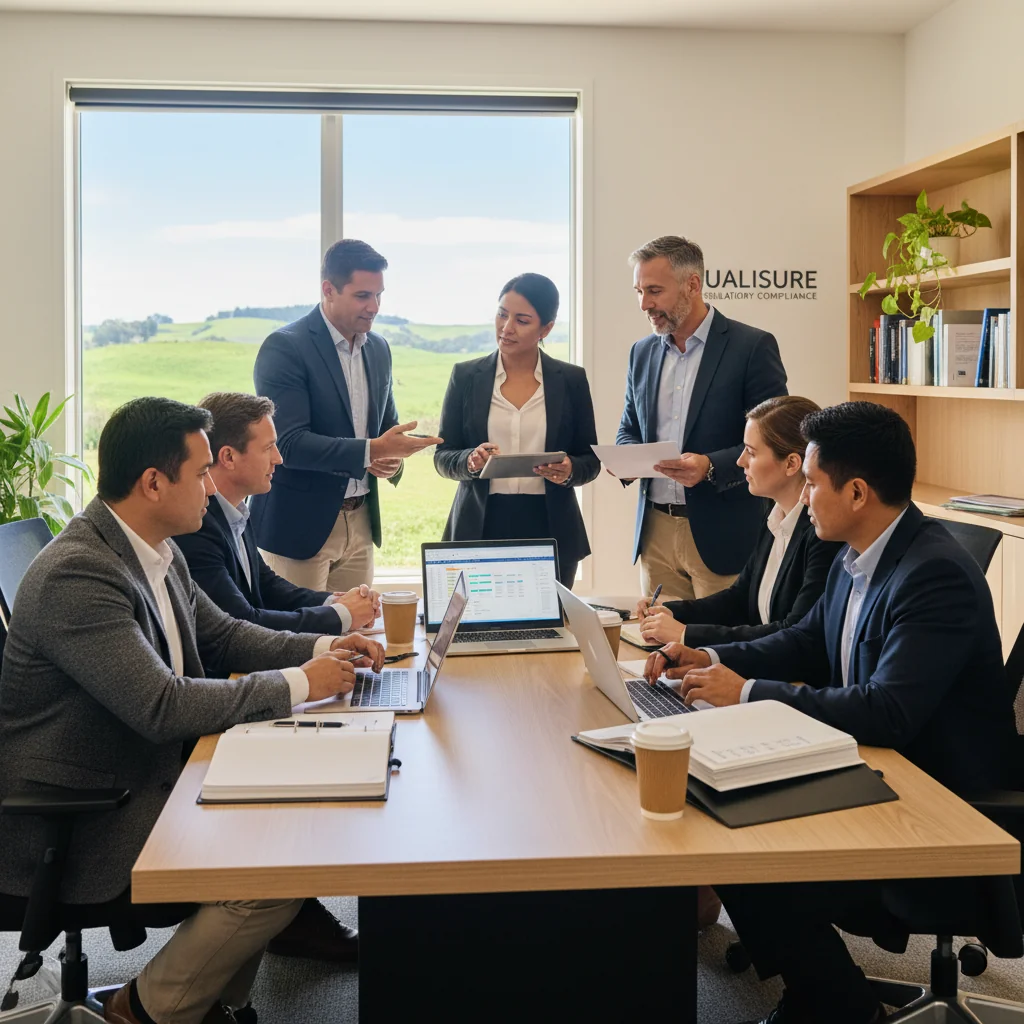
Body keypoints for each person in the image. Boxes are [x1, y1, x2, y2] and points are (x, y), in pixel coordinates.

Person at [0, 397, 384, 1024]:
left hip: (148, 771)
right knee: (274, 870)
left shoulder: (154, 547)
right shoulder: (82, 574)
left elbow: (226, 635)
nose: (213, 487)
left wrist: (325, 648)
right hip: (89, 810)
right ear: (153, 483)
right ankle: (144, 1009)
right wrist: (299, 683)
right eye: (202, 473)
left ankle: (208, 1004)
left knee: (287, 828)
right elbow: (160, 704)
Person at [643, 402, 1019, 1024]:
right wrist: (703, 653)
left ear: (857, 491)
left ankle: (836, 1005)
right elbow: (806, 641)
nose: (805, 496)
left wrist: (746, 692)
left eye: (813, 483)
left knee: (745, 839)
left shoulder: (933, 576)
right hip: (875, 762)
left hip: (937, 796)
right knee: (721, 807)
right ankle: (826, 995)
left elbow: (887, 710)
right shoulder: (858, 553)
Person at [250, 238, 441, 592]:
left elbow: (383, 430)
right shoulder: (285, 347)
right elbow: (289, 444)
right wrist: (372, 451)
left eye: (379, 295)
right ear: (328, 290)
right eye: (363, 295)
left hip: (361, 523)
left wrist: (391, 459)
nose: (375, 307)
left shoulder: (380, 348)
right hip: (298, 529)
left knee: (358, 639)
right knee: (304, 644)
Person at [616, 235, 788, 602]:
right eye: (639, 291)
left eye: (655, 290)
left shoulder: (751, 347)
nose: (645, 304)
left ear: (692, 284)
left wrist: (710, 466)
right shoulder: (641, 352)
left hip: (723, 534)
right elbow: (629, 427)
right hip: (655, 533)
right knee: (661, 650)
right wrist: (627, 458)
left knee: (718, 650)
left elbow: (778, 437)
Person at [633, 396, 842, 646]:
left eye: (751, 453)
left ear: (791, 464)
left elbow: (793, 632)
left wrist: (684, 635)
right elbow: (739, 598)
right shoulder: (773, 513)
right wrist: (671, 611)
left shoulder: (823, 534)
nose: (740, 461)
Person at [434, 273, 599, 587]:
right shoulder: (466, 376)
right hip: (480, 525)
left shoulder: (571, 380)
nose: (506, 328)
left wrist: (569, 470)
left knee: (550, 630)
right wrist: (470, 461)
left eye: (522, 320)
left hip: (551, 525)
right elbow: (443, 456)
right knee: (478, 627)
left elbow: (590, 462)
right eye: (501, 314)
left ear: (546, 329)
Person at [175, 391, 379, 635]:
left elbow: (267, 585)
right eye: (269, 447)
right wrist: (342, 615)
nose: (278, 458)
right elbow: (242, 622)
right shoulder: (198, 527)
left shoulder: (236, 509)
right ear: (228, 456)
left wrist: (335, 602)